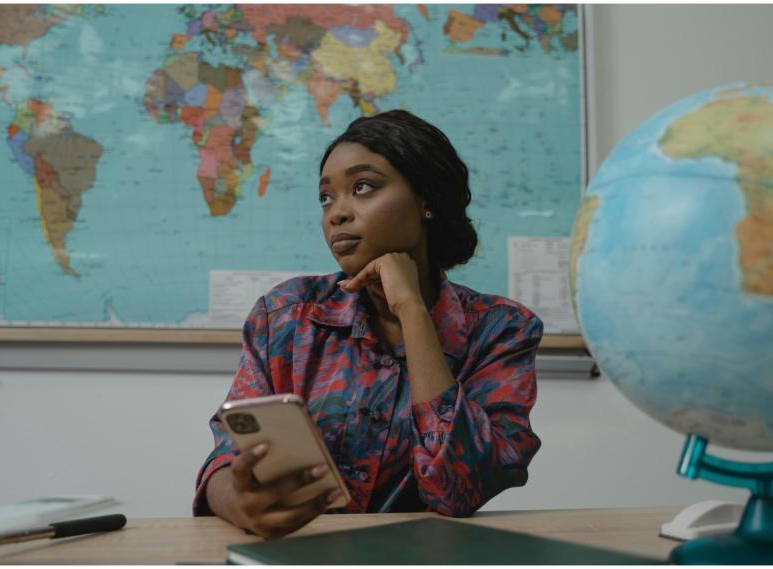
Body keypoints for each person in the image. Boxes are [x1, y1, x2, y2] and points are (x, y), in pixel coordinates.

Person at [194, 110, 543, 538]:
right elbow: (229, 455)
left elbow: (459, 489)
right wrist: (236, 502)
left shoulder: (501, 331)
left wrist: (412, 310)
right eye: (326, 197)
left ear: (426, 200)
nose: (337, 213)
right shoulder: (286, 316)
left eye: (362, 187)